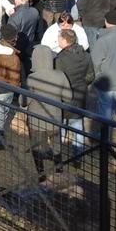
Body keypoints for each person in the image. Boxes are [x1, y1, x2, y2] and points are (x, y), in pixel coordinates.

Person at [26, 45, 73, 180]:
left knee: (37, 146)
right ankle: (58, 171)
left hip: (36, 120)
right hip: (55, 118)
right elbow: (68, 98)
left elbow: (26, 100)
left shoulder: (32, 77)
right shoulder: (60, 75)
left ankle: (41, 175)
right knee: (57, 145)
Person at [54, 28, 93, 160]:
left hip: (64, 97)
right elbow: (91, 75)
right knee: (77, 126)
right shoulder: (86, 55)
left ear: (65, 40)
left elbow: (58, 79)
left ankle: (58, 151)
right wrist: (81, 83)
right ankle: (78, 155)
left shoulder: (60, 59)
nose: (57, 40)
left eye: (59, 38)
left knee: (61, 125)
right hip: (80, 95)